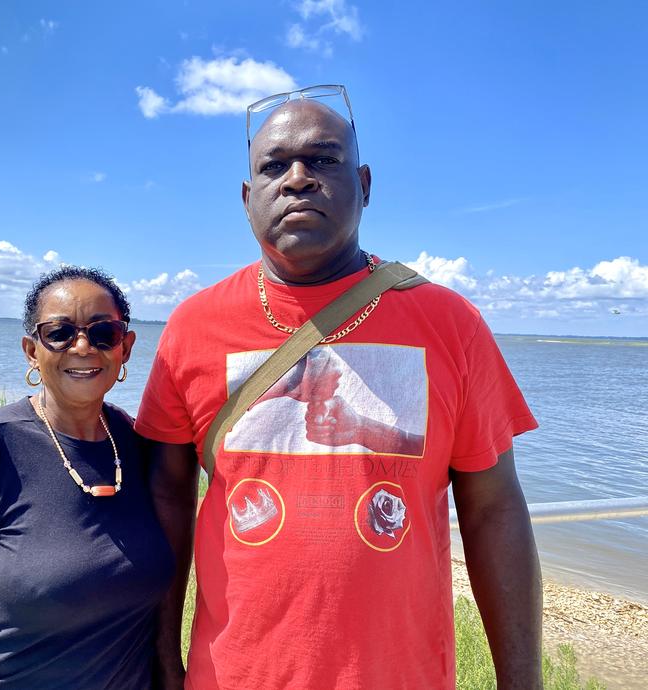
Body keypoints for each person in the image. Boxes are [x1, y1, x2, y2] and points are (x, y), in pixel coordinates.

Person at [136, 88, 542, 689]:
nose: (297, 179)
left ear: (366, 184)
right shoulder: (194, 327)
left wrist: (522, 681)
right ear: (248, 201)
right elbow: (167, 501)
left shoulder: (450, 323)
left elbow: (494, 510)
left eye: (324, 160)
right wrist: (164, 660)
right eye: (274, 166)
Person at [0, 266, 174, 689]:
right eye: (60, 333)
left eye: (104, 332)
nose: (83, 347)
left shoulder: (136, 445)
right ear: (32, 350)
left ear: (126, 347)